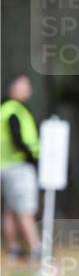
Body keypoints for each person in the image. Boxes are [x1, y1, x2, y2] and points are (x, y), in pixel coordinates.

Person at [0, 75, 41, 262]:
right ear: (13, 88)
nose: (28, 90)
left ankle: (14, 248)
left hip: (6, 166)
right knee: (25, 210)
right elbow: (18, 140)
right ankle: (37, 248)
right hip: (19, 167)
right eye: (24, 86)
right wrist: (31, 156)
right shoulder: (14, 111)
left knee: (10, 209)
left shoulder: (5, 109)